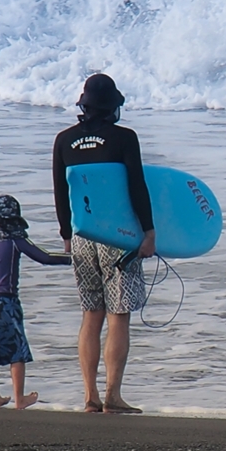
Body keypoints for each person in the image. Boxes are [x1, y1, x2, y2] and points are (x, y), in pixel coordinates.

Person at [52, 72, 156, 414]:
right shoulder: (124, 138)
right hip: (119, 238)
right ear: (113, 107)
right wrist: (149, 232)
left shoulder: (64, 140)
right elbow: (137, 187)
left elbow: (62, 193)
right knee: (119, 315)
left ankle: (90, 397)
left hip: (83, 238)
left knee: (91, 314)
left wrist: (67, 235)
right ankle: (113, 395)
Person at [0, 195, 71, 409]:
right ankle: (19, 398)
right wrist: (72, 259)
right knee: (17, 348)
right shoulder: (15, 241)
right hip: (7, 301)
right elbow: (44, 257)